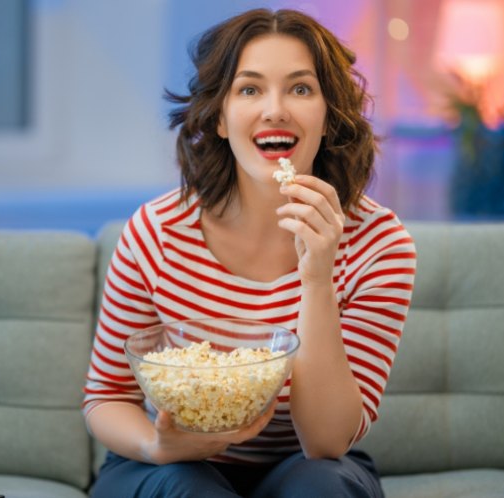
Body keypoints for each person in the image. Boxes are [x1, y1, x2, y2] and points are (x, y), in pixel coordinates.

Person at [83, 7, 416, 497]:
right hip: (165, 464)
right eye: (250, 89)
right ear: (220, 118)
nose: (275, 109)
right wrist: (160, 446)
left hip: (304, 463)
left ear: (328, 118)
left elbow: (326, 441)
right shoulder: (157, 232)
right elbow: (106, 399)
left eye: (301, 89)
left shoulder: (379, 245)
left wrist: (317, 278)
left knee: (323, 487)